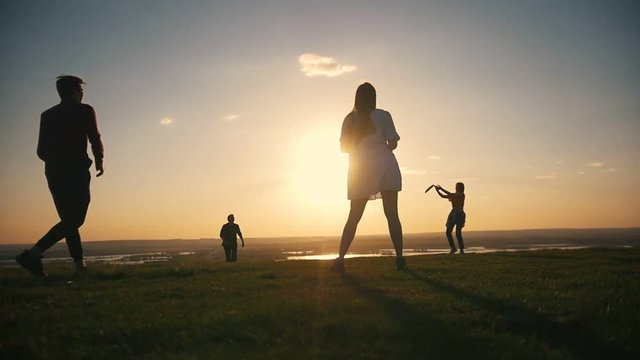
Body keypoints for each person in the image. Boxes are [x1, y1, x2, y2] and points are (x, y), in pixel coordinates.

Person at [15, 75, 104, 278]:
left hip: (54, 172)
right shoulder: (85, 110)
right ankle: (33, 254)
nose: (82, 94)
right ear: (74, 91)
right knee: (76, 218)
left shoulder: (47, 115)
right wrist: (98, 159)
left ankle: (80, 267)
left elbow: (40, 151)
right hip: (76, 170)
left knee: (68, 219)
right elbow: (94, 137)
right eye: (81, 90)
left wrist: (56, 162)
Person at [333, 82, 405, 271]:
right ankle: (399, 257)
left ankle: (340, 258)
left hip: (360, 170)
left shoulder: (349, 119)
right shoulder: (383, 115)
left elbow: (344, 148)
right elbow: (393, 143)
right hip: (385, 167)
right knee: (392, 214)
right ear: (374, 97)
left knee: (354, 216)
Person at [435, 183, 466, 254]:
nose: (456, 187)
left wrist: (441, 189)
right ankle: (453, 248)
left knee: (458, 233)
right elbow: (443, 196)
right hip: (454, 214)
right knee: (448, 232)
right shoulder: (455, 195)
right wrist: (438, 191)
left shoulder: (461, 195)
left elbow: (449, 194)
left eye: (457, 186)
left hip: (459, 214)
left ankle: (461, 250)